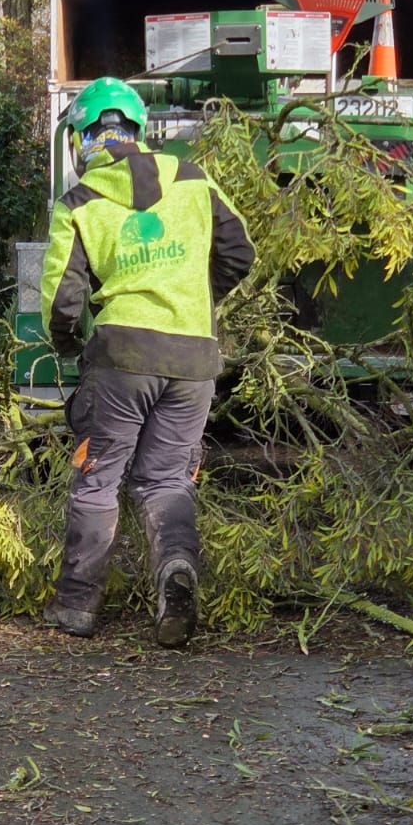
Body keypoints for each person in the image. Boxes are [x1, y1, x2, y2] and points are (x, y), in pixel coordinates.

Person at [40, 76, 254, 647]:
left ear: (82, 139)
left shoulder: (79, 202)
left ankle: (77, 606)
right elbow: (239, 251)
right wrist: (192, 301)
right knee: (165, 480)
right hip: (194, 356)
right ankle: (175, 573)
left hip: (122, 357)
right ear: (138, 129)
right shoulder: (193, 177)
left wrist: (69, 344)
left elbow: (62, 301)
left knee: (99, 477)